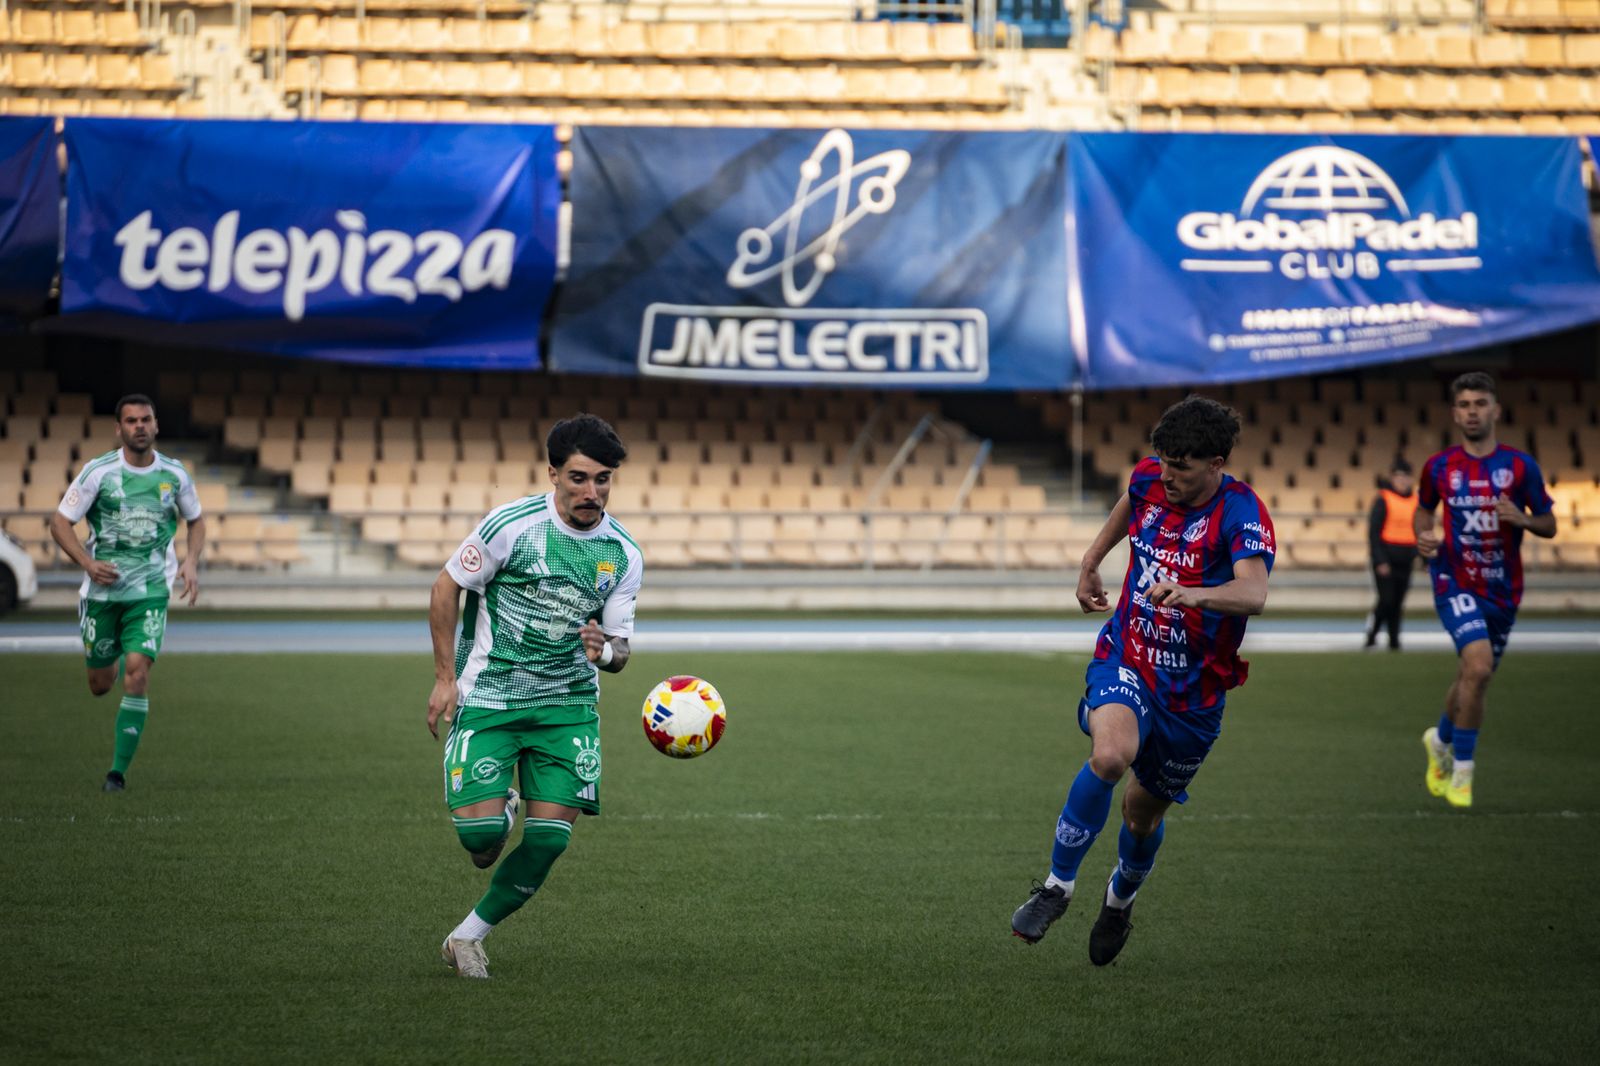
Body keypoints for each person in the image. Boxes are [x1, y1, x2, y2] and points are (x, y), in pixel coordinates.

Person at [1011, 395, 1273, 965]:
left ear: (1217, 463)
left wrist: (1196, 592)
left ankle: (1119, 900)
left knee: (1141, 813)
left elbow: (1254, 593)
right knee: (1110, 755)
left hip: (1195, 691)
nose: (1168, 474)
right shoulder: (1150, 480)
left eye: (1182, 465)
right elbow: (1132, 501)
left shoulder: (1241, 512)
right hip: (1129, 655)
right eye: (1163, 460)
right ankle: (1056, 887)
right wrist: (1091, 559)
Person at [428, 414, 642, 979]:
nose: (591, 492)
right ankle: (499, 808)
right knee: (480, 841)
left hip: (567, 708)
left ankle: (467, 938)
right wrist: (445, 677)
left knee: (548, 842)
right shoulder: (512, 526)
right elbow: (447, 585)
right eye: (578, 478)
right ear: (552, 473)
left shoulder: (622, 553)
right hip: (491, 698)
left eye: (602, 479)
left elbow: (621, 652)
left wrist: (602, 652)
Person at [49, 394, 205, 793]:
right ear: (119, 429)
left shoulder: (175, 474)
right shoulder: (98, 472)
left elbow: (196, 519)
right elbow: (61, 522)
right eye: (131, 420)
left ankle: (116, 774)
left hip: (151, 591)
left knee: (137, 674)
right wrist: (86, 563)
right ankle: (111, 657)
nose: (139, 426)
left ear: (156, 426)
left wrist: (191, 561)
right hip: (102, 594)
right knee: (100, 685)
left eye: (146, 419)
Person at [1415, 372, 1555, 810]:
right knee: (1477, 669)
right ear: (1454, 413)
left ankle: (1439, 739)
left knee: (1471, 676)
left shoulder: (1519, 467)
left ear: (1495, 409)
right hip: (1454, 579)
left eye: (1480, 403)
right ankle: (1463, 771)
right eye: (1464, 404)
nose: (1472, 411)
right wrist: (1425, 538)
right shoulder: (1440, 467)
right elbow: (1422, 514)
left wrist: (1523, 519)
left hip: (1503, 590)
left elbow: (1549, 523)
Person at [1365, 457, 1419, 651]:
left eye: (1406, 477)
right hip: (1386, 558)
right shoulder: (1383, 498)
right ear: (1392, 478)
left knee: (1398, 602)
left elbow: (1419, 529)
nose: (1402, 481)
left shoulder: (1416, 500)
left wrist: (1423, 557)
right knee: (1386, 600)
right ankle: (1372, 634)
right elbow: (1374, 532)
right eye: (1398, 477)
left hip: (1406, 558)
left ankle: (1394, 641)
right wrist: (1379, 560)